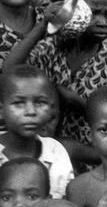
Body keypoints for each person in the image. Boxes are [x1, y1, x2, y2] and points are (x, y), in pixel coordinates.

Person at [5, 0, 107, 168]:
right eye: (94, 14)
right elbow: (10, 71)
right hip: (43, 154)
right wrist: (44, 24)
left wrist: (76, 102)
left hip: (91, 155)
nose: (103, 22)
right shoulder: (48, 49)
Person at [0, 65, 73, 199]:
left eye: (40, 102)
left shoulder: (55, 152)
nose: (31, 111)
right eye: (19, 103)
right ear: (1, 110)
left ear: (51, 109)